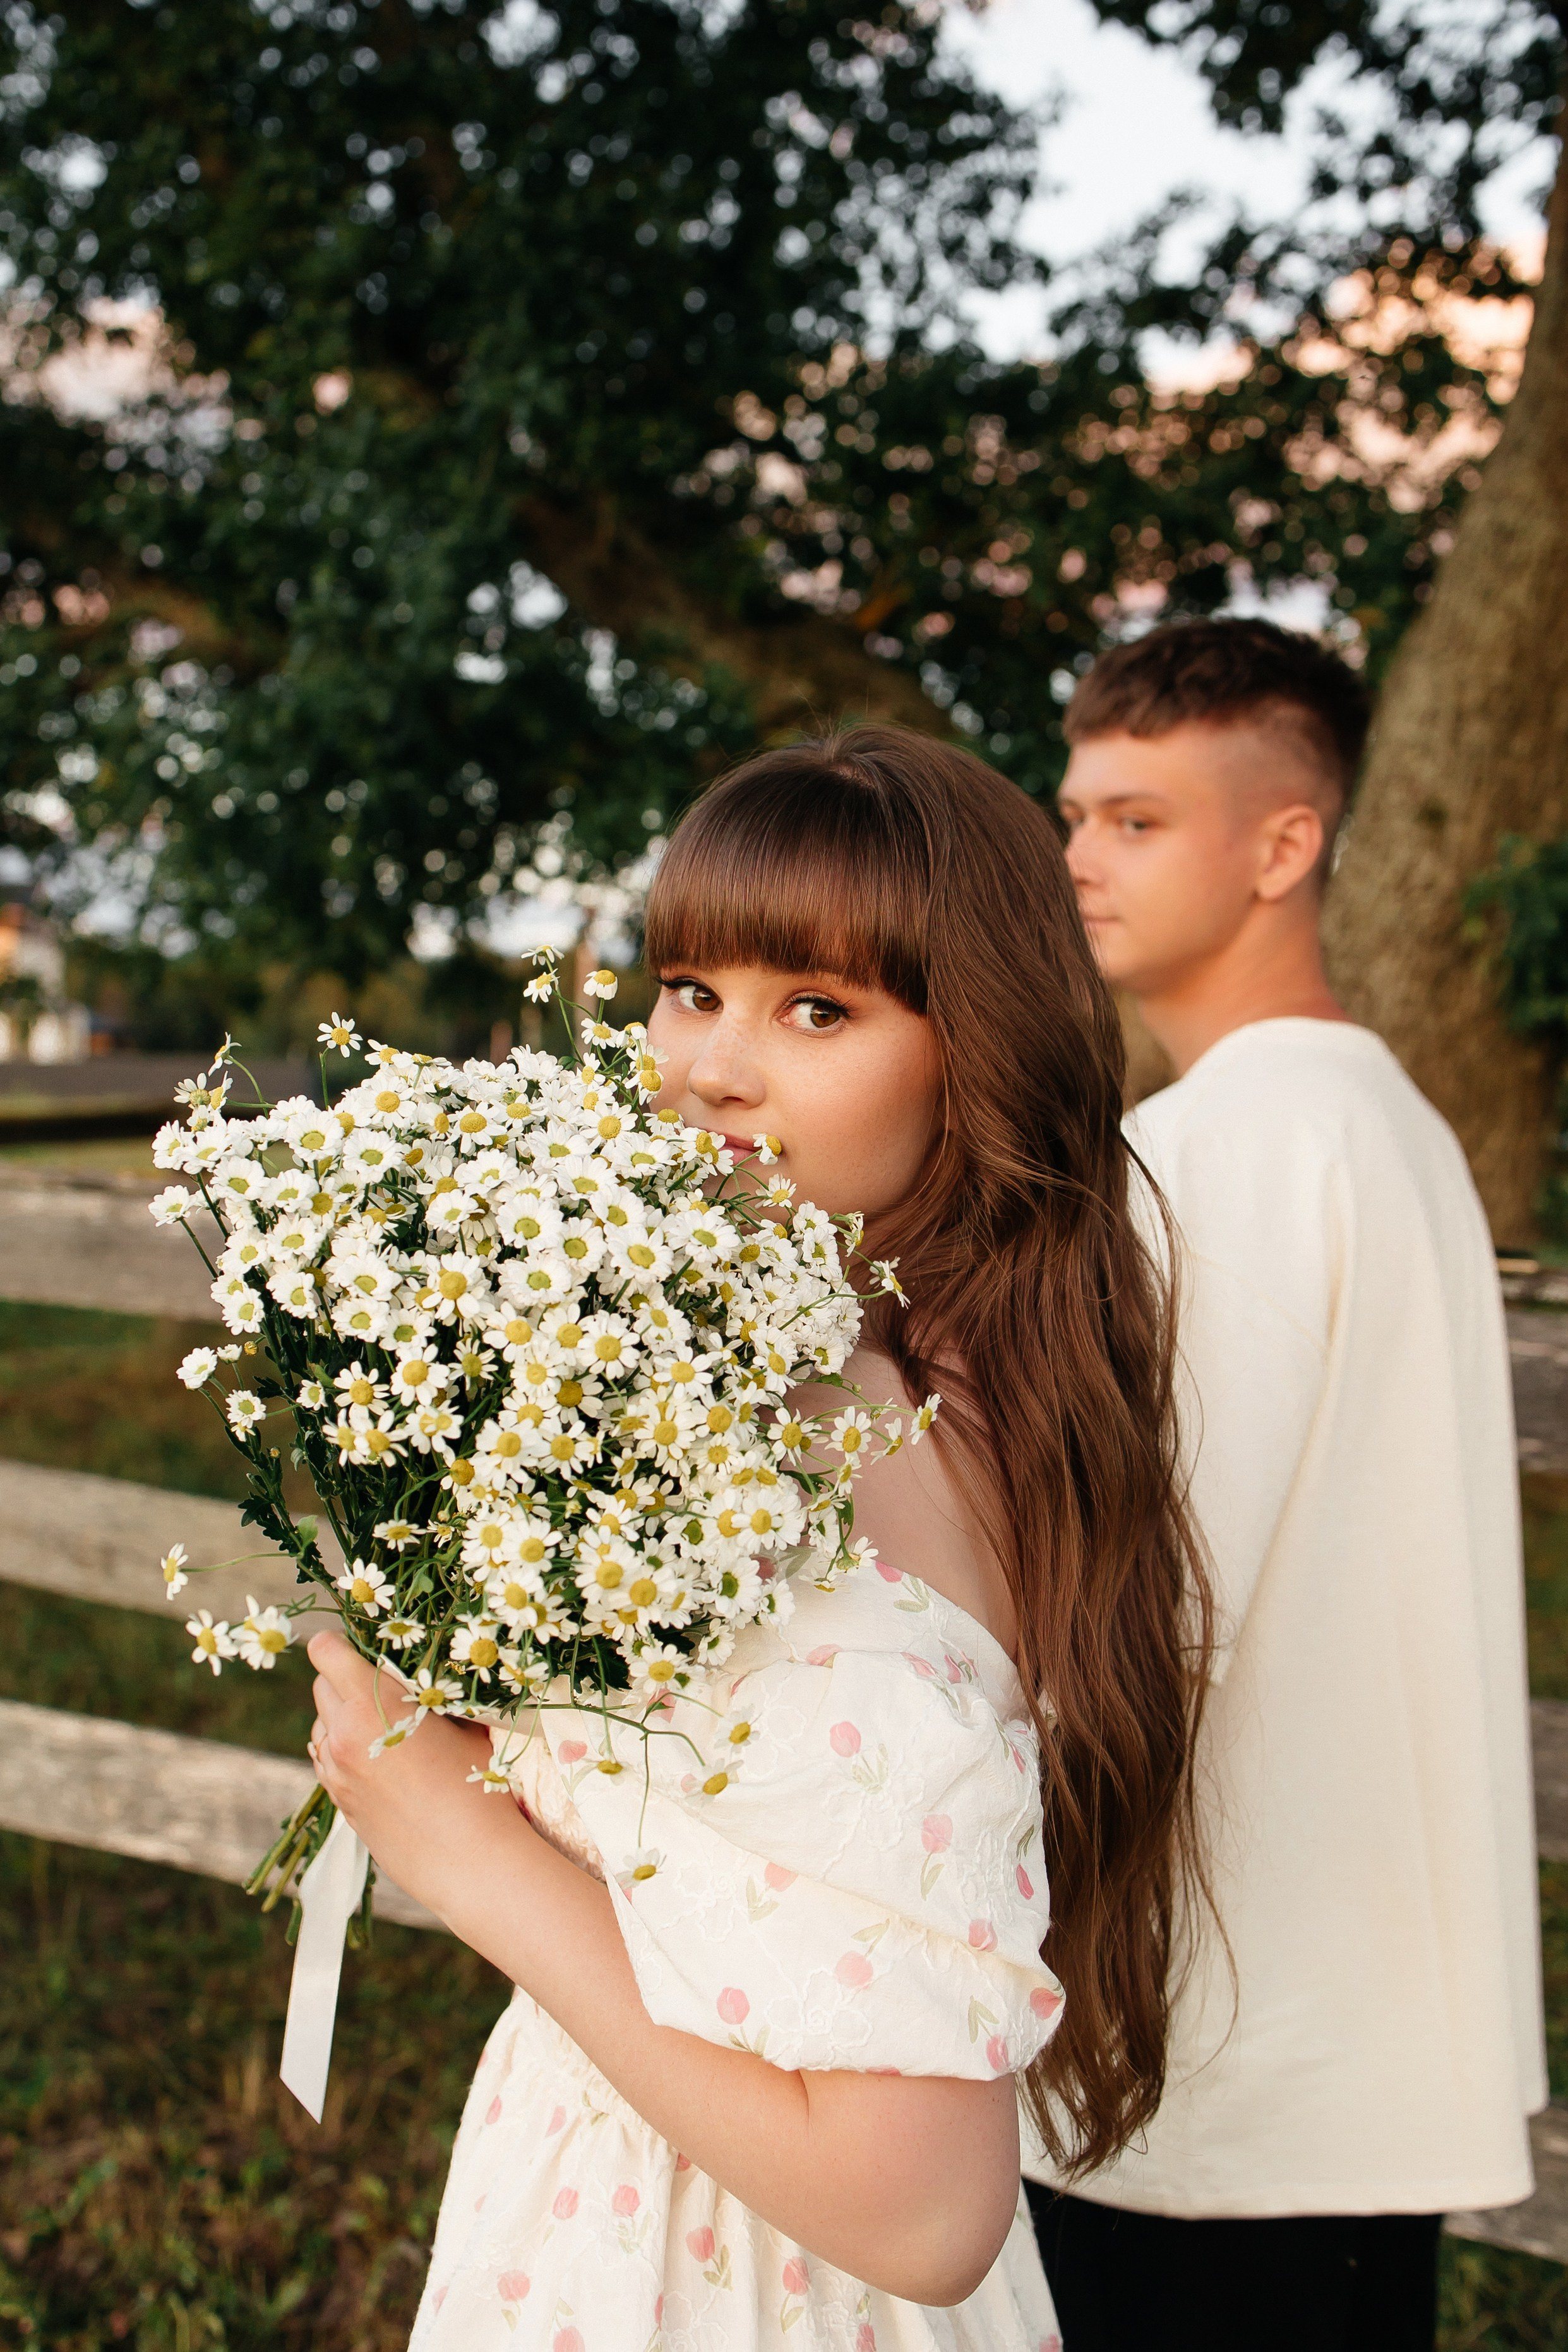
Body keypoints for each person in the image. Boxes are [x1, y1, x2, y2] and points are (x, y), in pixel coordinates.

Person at [303, 724, 1214, 2352]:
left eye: (818, 1009)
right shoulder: (868, 1383)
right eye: (689, 989)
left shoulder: (837, 1463)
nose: (712, 1068)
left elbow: (922, 2212)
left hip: (749, 2282)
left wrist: (452, 1843)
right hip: (598, 2203)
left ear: (974, 1050)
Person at [1025, 617, 1547, 2351]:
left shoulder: (1217, 1156)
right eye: (1074, 812)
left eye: (1136, 819)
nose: (1079, 857)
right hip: (1330, 2049)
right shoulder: (1379, 1122)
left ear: (1283, 841)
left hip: (1198, 2064)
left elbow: (1138, 1608)